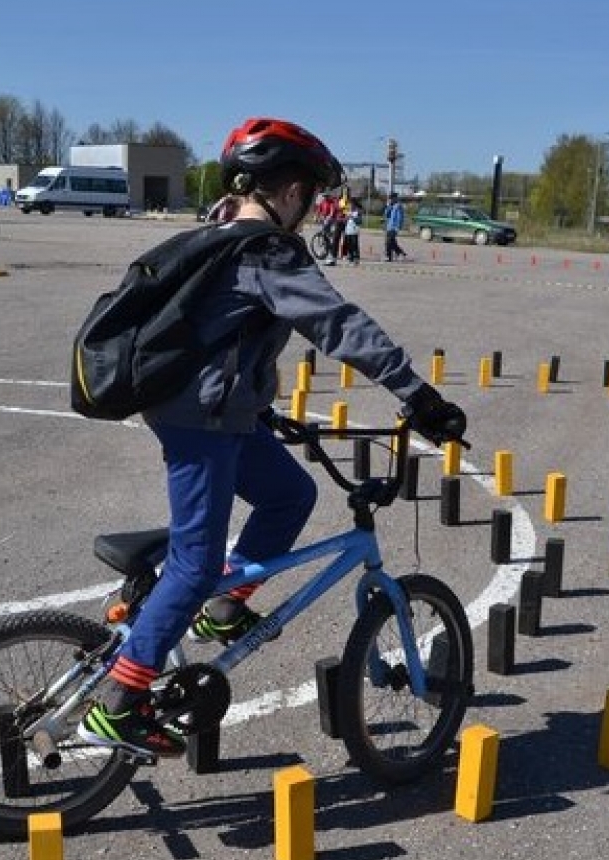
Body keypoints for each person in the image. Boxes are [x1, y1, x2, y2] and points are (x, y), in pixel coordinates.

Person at [76, 116, 467, 758]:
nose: (312, 210)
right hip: (197, 422)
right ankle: (118, 701)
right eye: (309, 195)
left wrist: (258, 411)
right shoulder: (265, 250)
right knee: (194, 563)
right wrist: (417, 395)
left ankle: (224, 609)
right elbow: (336, 324)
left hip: (220, 414)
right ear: (287, 192)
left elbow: (224, 339)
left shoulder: (225, 234)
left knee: (290, 493)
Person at [383, 192, 410, 262]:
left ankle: (389, 256)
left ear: (395, 198)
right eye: (389, 199)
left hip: (394, 227)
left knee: (389, 242)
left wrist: (398, 227)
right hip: (389, 226)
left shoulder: (398, 206)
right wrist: (388, 207)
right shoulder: (390, 206)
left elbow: (400, 218)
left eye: (391, 198)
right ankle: (401, 254)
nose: (390, 200)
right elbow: (386, 215)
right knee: (391, 242)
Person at [342, 200, 362, 264]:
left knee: (354, 245)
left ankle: (356, 258)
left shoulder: (358, 212)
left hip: (354, 231)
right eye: (350, 205)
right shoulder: (348, 212)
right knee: (349, 245)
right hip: (348, 231)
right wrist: (345, 219)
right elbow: (345, 221)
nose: (350, 206)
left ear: (354, 205)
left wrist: (352, 217)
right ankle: (351, 258)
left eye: (351, 205)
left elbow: (359, 221)